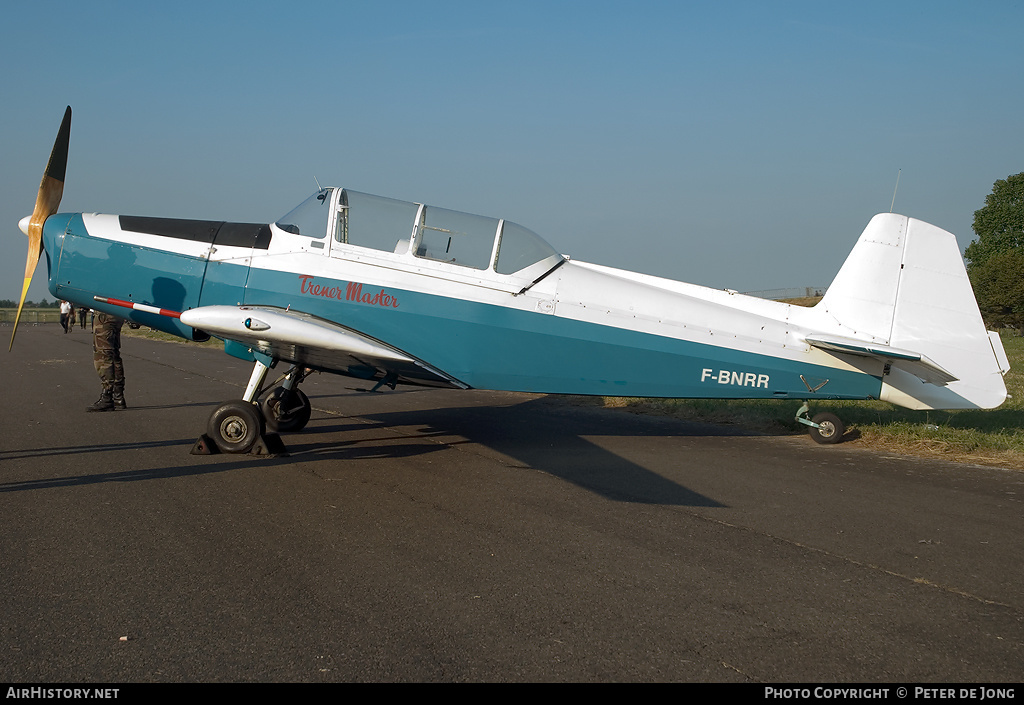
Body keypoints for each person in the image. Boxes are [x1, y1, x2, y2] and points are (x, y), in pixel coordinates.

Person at [87, 312, 126, 412]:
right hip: (116, 314)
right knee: (114, 354)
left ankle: (107, 396)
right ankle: (118, 396)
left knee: (103, 354)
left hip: (104, 313)